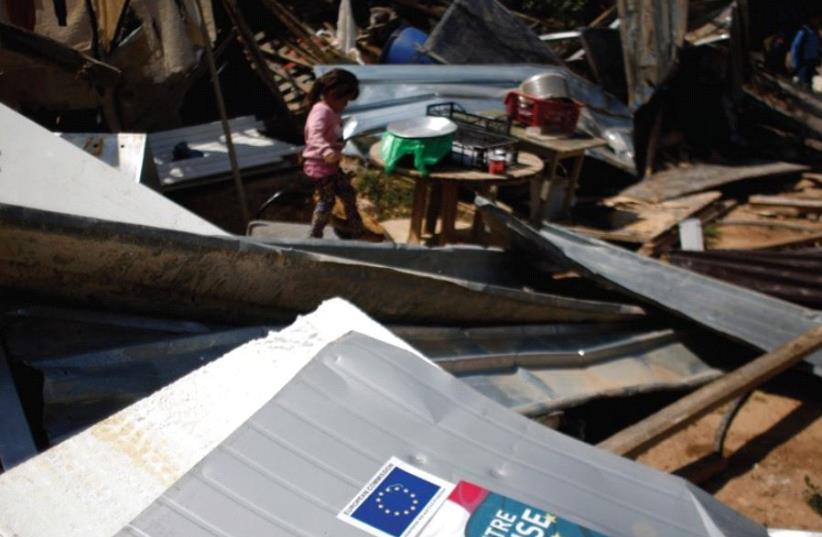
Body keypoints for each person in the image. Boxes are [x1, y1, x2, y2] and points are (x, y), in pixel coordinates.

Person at [302, 68, 364, 238]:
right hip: (319, 167)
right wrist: (327, 151)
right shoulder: (321, 112)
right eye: (345, 100)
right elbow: (314, 136)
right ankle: (315, 234)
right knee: (327, 201)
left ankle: (354, 226)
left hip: (331, 167)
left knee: (348, 193)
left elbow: (332, 133)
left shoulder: (331, 111)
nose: (346, 104)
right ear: (332, 94)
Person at [790, 15, 821, 87]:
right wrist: (794, 60)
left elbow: (817, 45)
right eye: (816, 19)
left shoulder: (815, 31)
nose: (818, 21)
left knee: (809, 81)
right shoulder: (804, 30)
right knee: (803, 80)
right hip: (804, 60)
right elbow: (796, 44)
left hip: (813, 60)